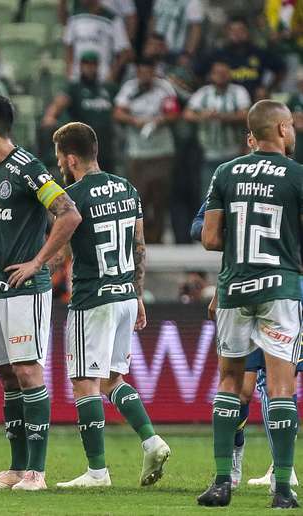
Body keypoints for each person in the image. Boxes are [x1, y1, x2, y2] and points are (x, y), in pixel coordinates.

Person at [0, 95, 82, 491]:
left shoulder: (27, 168)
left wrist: (38, 263)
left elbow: (68, 213)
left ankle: (37, 472)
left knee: (28, 371)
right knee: (6, 374)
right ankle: (16, 470)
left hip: (25, 289)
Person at [50, 122, 170, 489]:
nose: (58, 165)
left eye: (59, 159)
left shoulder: (71, 197)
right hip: (124, 297)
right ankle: (152, 440)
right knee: (112, 380)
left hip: (92, 300)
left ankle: (97, 472)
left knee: (84, 384)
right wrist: (137, 294)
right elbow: (139, 246)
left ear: (71, 158)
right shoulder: (128, 189)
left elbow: (63, 254)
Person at [198, 99, 302, 509]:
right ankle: (282, 489)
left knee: (228, 383)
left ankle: (223, 482)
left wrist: (242, 242)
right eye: (291, 125)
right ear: (279, 128)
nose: (293, 132)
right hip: (280, 289)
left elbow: (209, 237)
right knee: (280, 387)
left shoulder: (225, 172)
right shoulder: (297, 176)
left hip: (234, 288)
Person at [113, 58, 179, 244]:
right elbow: (117, 112)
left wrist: (159, 121)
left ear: (154, 71)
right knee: (139, 197)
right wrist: (134, 121)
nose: (145, 75)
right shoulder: (130, 88)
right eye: (141, 71)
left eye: (149, 71)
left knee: (160, 197)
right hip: (137, 152)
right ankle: (138, 240)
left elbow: (174, 113)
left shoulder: (164, 87)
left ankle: (157, 238)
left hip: (162, 150)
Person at [183, 60, 251, 197]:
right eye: (217, 73)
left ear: (230, 74)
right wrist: (203, 116)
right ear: (211, 75)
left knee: (235, 195)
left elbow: (246, 115)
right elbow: (187, 114)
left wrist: (221, 117)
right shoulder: (203, 93)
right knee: (209, 197)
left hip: (234, 154)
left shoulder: (238, 91)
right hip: (209, 154)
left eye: (224, 73)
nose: (221, 76)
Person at [41, 51, 115, 172]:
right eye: (86, 64)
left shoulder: (107, 88)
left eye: (93, 65)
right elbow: (58, 104)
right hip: (83, 146)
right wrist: (50, 116)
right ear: (81, 66)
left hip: (105, 146)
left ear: (97, 66)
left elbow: (118, 109)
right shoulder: (74, 88)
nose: (89, 68)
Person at [63, 0, 131, 85]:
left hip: (102, 78)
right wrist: (68, 69)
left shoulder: (113, 19)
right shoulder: (74, 17)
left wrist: (113, 74)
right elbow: (68, 44)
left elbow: (124, 51)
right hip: (76, 77)